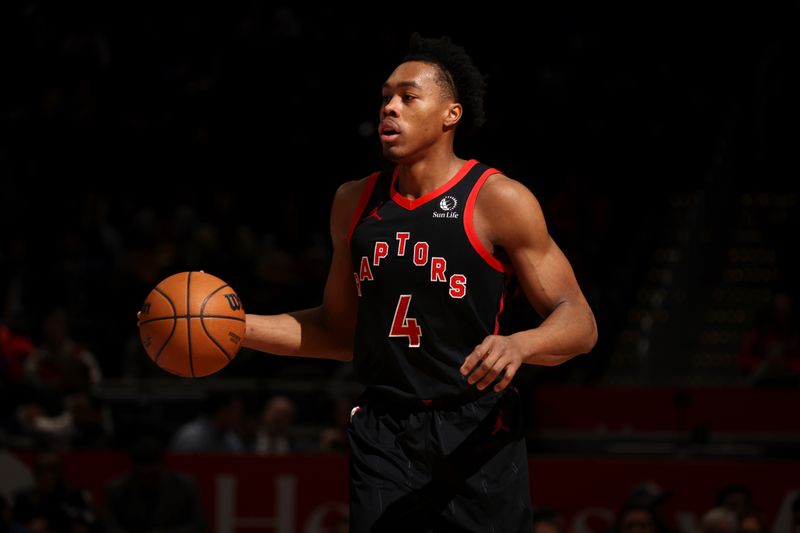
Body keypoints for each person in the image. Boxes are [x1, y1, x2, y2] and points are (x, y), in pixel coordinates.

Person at [147, 33, 596, 531]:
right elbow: (341, 334)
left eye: (408, 97)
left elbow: (579, 321)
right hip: (385, 429)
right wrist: (228, 327)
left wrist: (521, 344)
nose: (390, 108)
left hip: (477, 426)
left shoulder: (498, 199)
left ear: (451, 114)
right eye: (385, 97)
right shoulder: (354, 203)